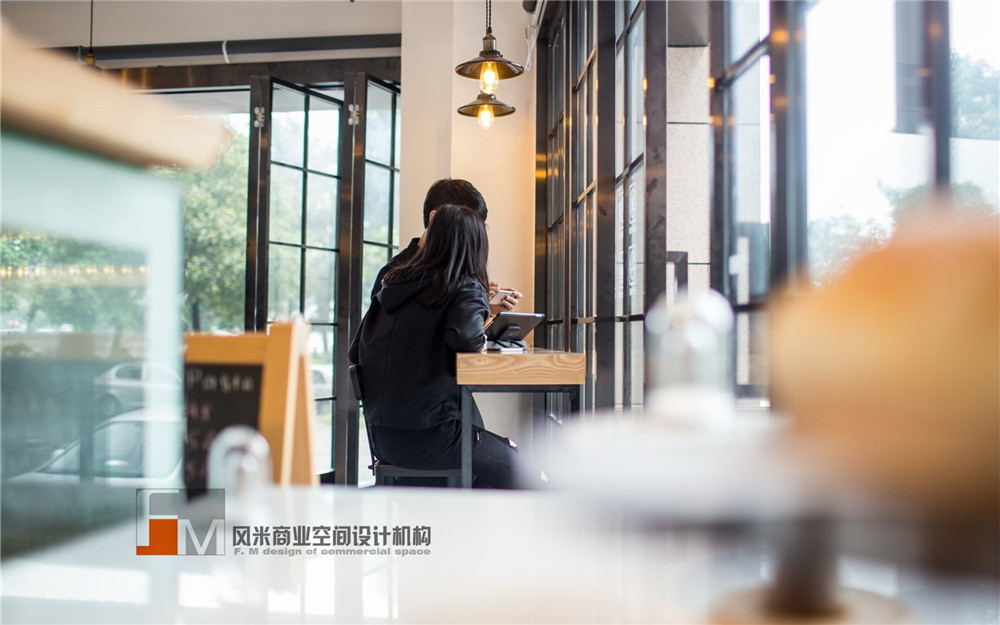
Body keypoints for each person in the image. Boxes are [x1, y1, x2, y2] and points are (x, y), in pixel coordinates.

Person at [349, 204, 544, 489]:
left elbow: (355, 351)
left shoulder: (392, 284)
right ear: (475, 246)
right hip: (432, 436)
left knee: (501, 457)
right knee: (533, 479)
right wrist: (481, 312)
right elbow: (467, 342)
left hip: (384, 439)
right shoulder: (465, 287)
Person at [371, 178, 522, 316]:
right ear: (434, 218)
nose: (472, 236)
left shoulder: (453, 269)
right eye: (466, 225)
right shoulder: (394, 276)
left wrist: (484, 309)